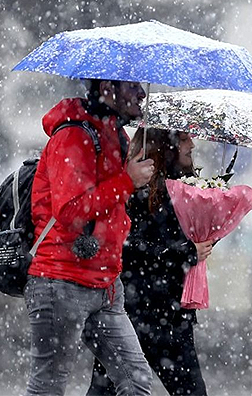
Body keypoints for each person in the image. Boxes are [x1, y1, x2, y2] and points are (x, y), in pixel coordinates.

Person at [25, 79, 155, 395]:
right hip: (61, 282)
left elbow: (115, 206)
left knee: (136, 381)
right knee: (48, 386)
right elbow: (71, 210)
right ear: (107, 87)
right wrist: (127, 181)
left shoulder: (116, 135)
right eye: (131, 85)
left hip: (106, 285)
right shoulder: (73, 135)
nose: (141, 93)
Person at [87, 128, 213, 396]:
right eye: (183, 139)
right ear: (165, 145)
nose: (192, 144)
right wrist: (186, 252)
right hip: (135, 312)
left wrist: (206, 236)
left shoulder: (186, 188)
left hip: (169, 313)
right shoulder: (137, 189)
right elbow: (131, 249)